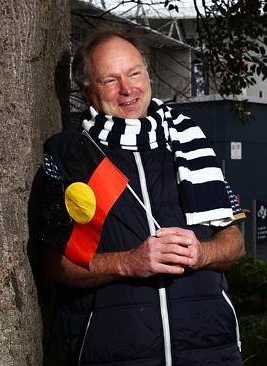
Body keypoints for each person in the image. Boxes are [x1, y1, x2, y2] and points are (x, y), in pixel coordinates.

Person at [41, 26, 245, 366]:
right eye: (110, 80)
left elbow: (234, 243)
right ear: (87, 90)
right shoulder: (72, 154)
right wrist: (129, 263)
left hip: (211, 352)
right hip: (114, 356)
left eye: (134, 73)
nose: (127, 89)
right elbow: (57, 264)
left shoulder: (191, 141)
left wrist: (201, 252)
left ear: (148, 75)